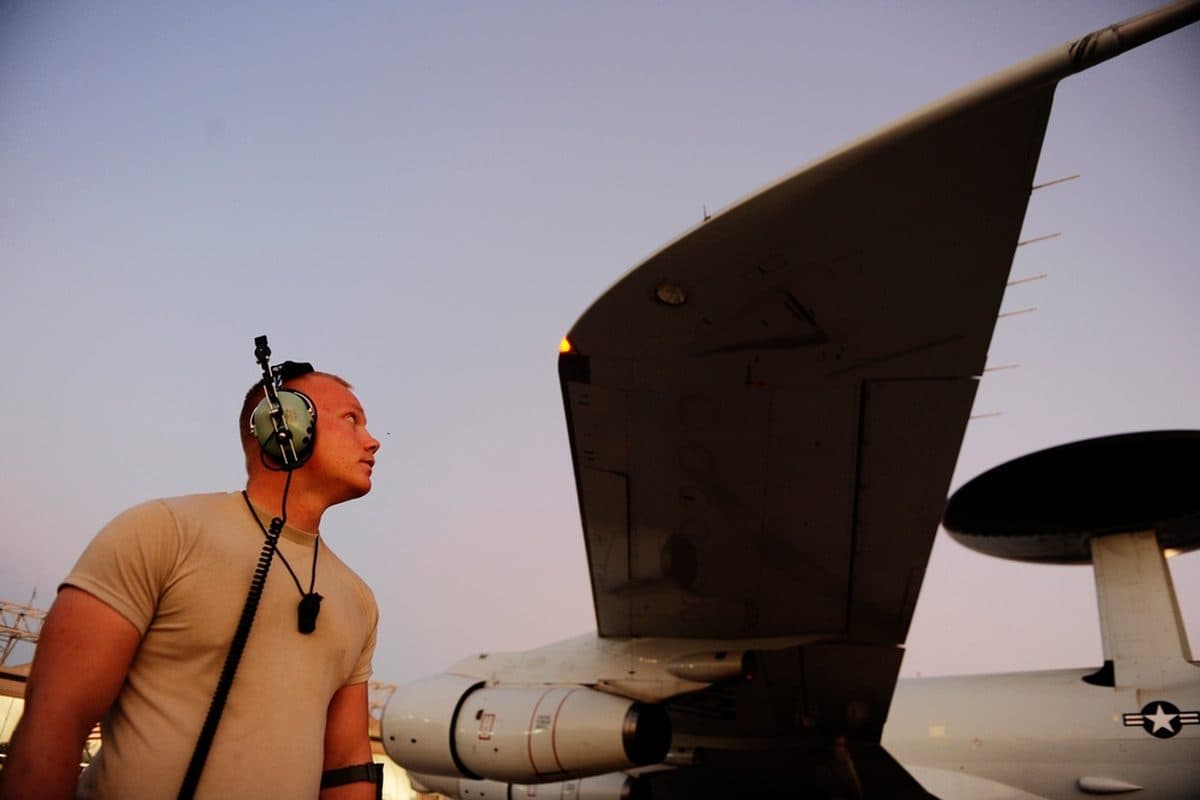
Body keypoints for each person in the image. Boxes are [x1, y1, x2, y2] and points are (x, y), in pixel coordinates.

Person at [0, 366, 383, 800]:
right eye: (351, 419)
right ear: (283, 423)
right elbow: (55, 720)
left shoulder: (359, 599)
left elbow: (347, 766)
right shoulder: (161, 532)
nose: (372, 441)